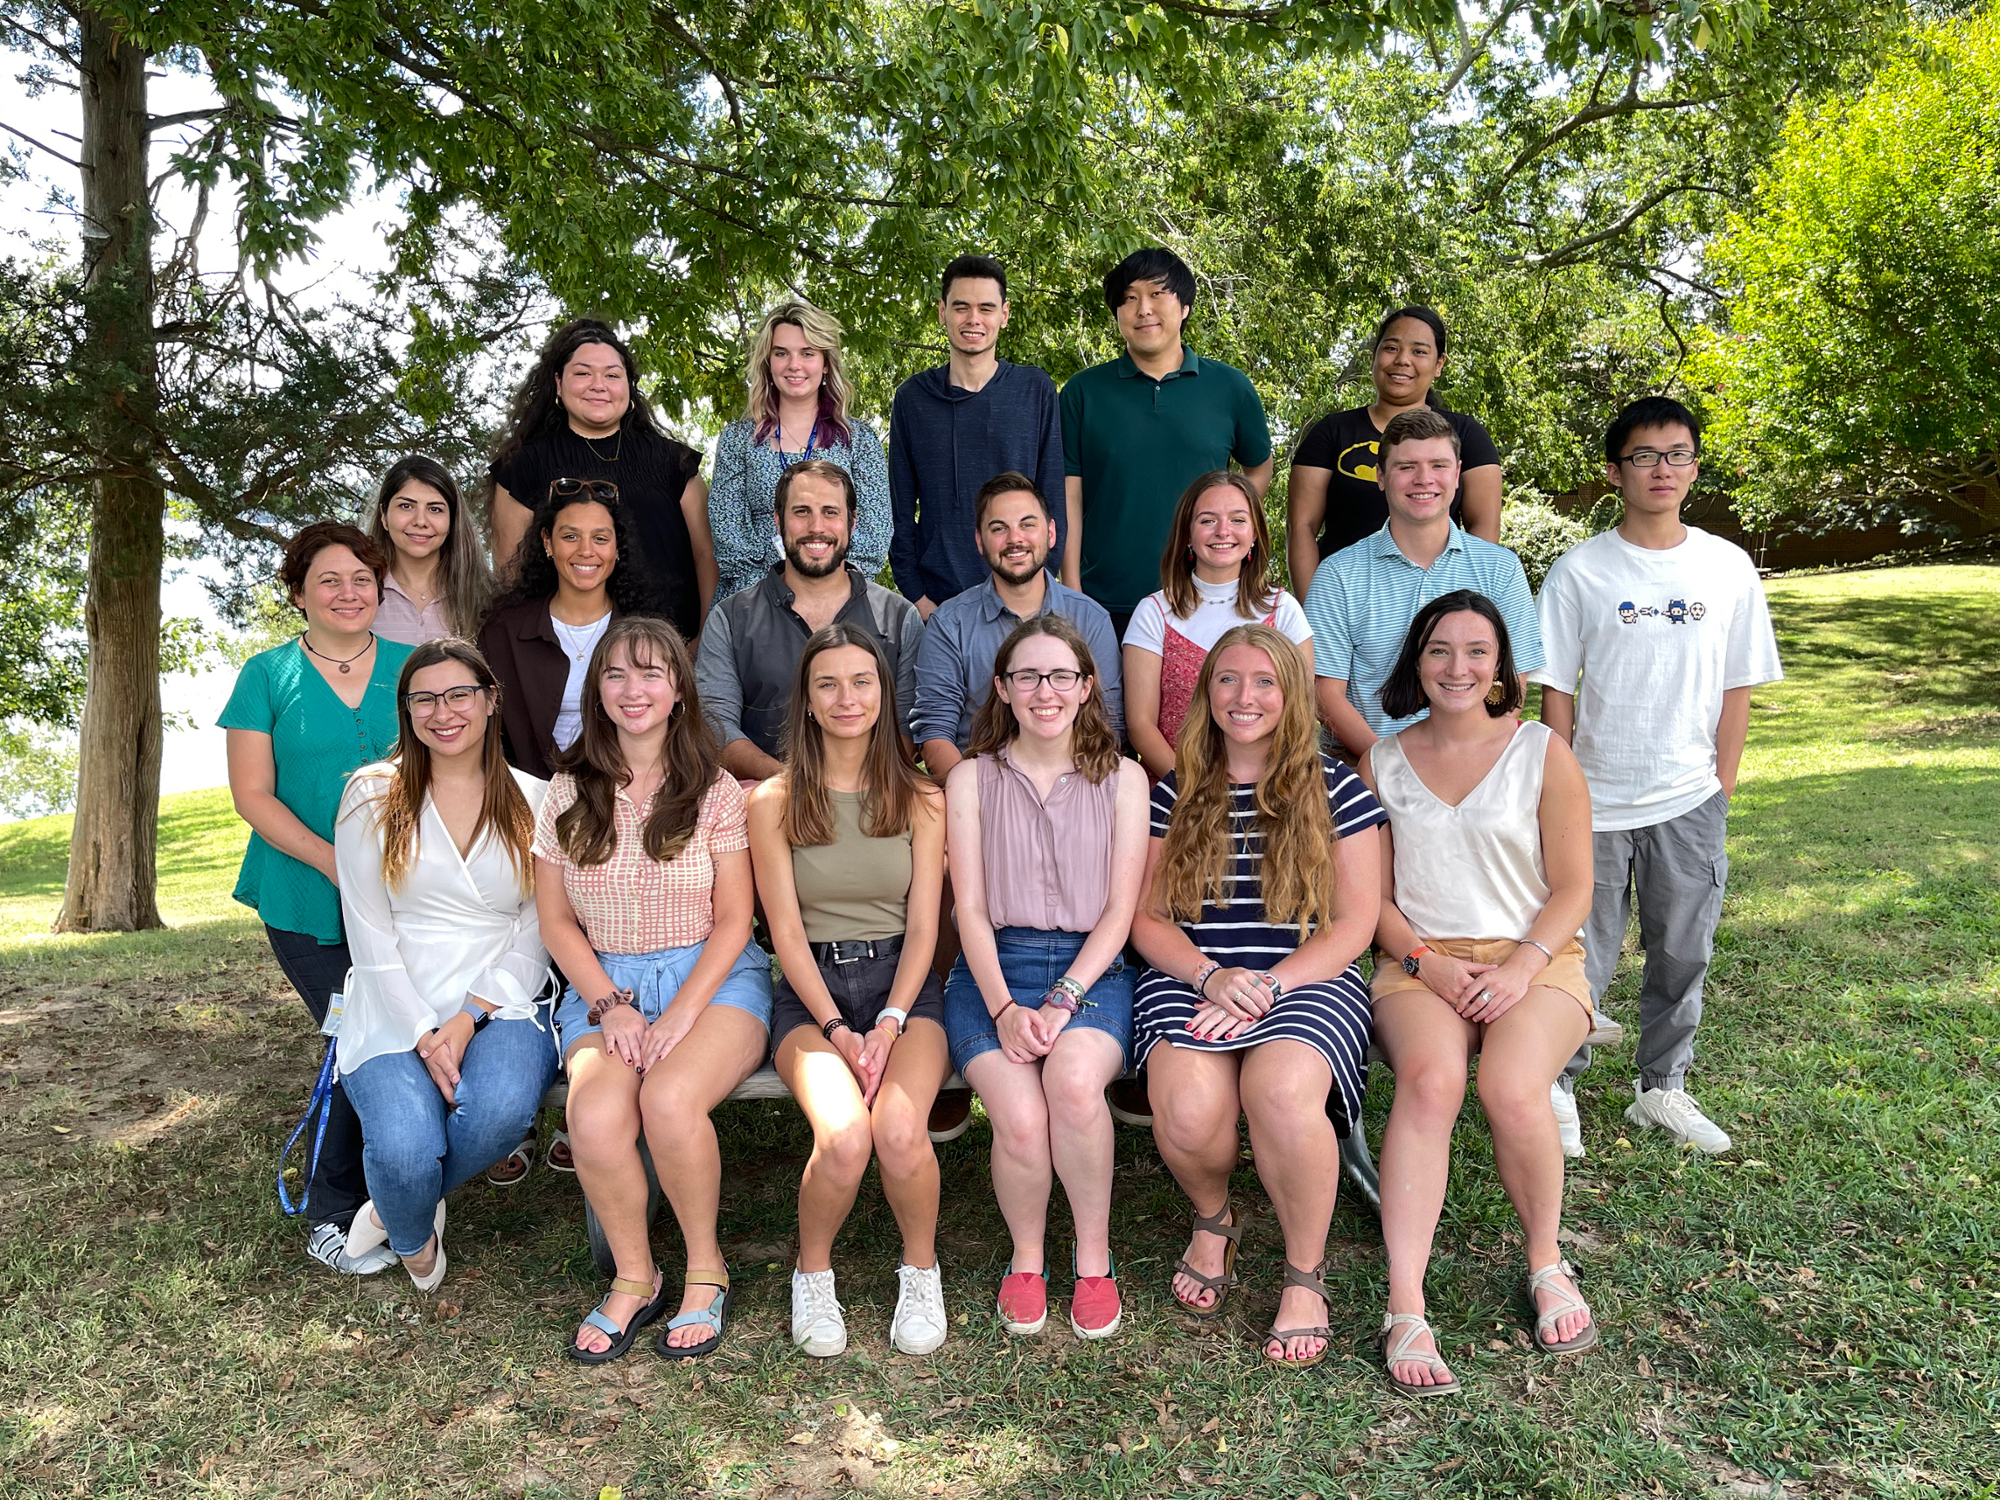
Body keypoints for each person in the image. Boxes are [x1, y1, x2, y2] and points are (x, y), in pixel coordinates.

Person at [1359, 591, 1598, 1395]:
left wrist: (1518, 969)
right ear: (1415, 663)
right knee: (1430, 1083)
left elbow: (1573, 889)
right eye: (1439, 651)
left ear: (1500, 665)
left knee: (1510, 1086)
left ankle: (1546, 1261)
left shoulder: (1542, 750)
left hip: (1536, 959)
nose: (1457, 667)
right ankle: (1405, 1304)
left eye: (1475, 651)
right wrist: (1429, 962)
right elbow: (1369, 901)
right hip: (1420, 962)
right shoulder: (1383, 761)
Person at [1531, 396, 1782, 1157]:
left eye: (1677, 454)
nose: (1662, 469)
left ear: (1694, 467)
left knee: (1684, 952)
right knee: (1583, 957)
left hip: (1689, 799)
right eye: (1644, 456)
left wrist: (1721, 787)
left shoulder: (1726, 565)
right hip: (1595, 801)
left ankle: (1662, 1089)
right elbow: (1556, 692)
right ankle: (1559, 1085)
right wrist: (1563, 791)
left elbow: (1739, 686)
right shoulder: (1581, 571)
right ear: (1615, 472)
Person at [1131, 625, 1385, 1367]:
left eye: (1265, 681)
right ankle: (1215, 1217)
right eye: (1228, 681)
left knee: (1278, 1092)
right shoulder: (1174, 790)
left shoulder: (1336, 787)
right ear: (1206, 694)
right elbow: (1148, 919)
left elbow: (1357, 922)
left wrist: (1270, 984)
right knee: (1187, 1108)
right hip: (1195, 974)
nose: (1245, 697)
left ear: (1292, 694)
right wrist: (1211, 977)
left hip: (1304, 977)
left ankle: (1305, 1273)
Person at [534, 617, 775, 1363]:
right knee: (598, 1116)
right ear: (596, 690)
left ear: (677, 689)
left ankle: (707, 1268)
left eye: (650, 673)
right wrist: (609, 1005)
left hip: (713, 977)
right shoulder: (567, 791)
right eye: (615, 674)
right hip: (604, 982)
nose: (632, 690)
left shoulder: (715, 791)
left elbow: (736, 920)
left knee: (669, 1099)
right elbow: (555, 918)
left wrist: (677, 1015)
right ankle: (635, 1277)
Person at [747, 625, 952, 1358]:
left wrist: (891, 1020)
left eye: (862, 682)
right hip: (812, 994)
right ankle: (813, 1274)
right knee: (843, 1138)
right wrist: (839, 1028)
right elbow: (787, 934)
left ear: (883, 693)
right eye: (827, 683)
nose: (846, 698)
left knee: (900, 1133)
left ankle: (921, 1271)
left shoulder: (923, 797)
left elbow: (927, 927)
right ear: (805, 699)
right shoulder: (772, 801)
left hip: (906, 986)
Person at [943, 616, 1150, 1340]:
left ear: (1087, 686)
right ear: (1002, 688)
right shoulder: (970, 778)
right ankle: (1027, 1257)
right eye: (1027, 676)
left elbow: (1122, 910)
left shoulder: (1125, 778)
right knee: (1022, 1118)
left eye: (1061, 675)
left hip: (1094, 968)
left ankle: (1093, 1260)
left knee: (1070, 1083)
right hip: (991, 968)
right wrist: (1002, 1006)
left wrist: (1066, 998)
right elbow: (968, 907)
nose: (1045, 691)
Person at [333, 640, 560, 1291]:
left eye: (459, 693)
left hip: (504, 999)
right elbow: (368, 931)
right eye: (424, 698)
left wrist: (464, 1020)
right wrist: (423, 1033)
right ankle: (410, 1231)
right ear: (406, 710)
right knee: (404, 1148)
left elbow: (536, 923)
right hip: (392, 999)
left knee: (495, 1113)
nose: (443, 711)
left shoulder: (537, 799)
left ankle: (388, 1206)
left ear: (490, 700)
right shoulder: (372, 796)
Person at [220, 521, 414, 1274]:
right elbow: (253, 796)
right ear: (298, 593)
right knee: (355, 1034)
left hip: (406, 898)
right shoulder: (265, 676)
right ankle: (332, 1212)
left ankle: (397, 1188)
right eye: (329, 580)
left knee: (390, 1034)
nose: (348, 593)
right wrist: (339, 863)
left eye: (362, 579)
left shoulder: (413, 667)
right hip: (306, 897)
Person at [1304, 406, 1544, 758]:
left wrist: (1476, 760)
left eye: (1438, 465)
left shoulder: (1501, 570)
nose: (1423, 479)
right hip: (1367, 769)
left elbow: (1513, 683)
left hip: (1478, 766)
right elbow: (1323, 693)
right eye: (1406, 467)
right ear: (1381, 476)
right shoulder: (1338, 574)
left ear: (1458, 474)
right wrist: (1392, 768)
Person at [1059, 247, 1273, 639]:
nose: (1143, 309)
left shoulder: (1230, 388)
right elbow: (1068, 493)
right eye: (1129, 298)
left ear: (1185, 306)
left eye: (1158, 294)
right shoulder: (1082, 392)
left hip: (1206, 599)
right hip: (1105, 602)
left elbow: (1258, 466)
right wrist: (1071, 589)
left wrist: (1229, 525)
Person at [695, 460, 924, 783]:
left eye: (831, 512)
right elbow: (714, 724)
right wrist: (788, 782)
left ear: (852, 523)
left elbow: (910, 725)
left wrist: (853, 789)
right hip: (766, 802)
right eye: (801, 512)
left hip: (875, 800)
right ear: (778, 521)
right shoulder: (730, 619)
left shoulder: (899, 617)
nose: (817, 527)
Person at [487, 319, 716, 639]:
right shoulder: (523, 466)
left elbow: (707, 557)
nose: (598, 384)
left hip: (672, 654)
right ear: (558, 383)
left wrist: (703, 643)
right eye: (582, 373)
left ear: (629, 385)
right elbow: (511, 576)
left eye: (612, 375)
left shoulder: (674, 463)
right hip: (562, 656)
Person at [912, 471, 1122, 781]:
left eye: (1027, 524)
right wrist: (979, 800)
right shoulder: (949, 623)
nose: (1015, 539)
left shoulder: (1090, 620)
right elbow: (935, 732)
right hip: (978, 796)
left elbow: (1110, 726)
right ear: (980, 542)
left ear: (1050, 533)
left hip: (1075, 792)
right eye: (999, 528)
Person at [888, 255, 1066, 614]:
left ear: (1004, 314)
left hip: (1023, 598)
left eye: (986, 308)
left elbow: (1053, 501)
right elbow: (900, 511)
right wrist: (917, 597)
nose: (973, 319)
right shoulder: (913, 399)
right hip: (938, 604)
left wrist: (1039, 588)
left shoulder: (1034, 390)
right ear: (942, 312)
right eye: (961, 307)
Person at [1285, 306, 1505, 587]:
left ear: (1439, 365)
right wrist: (1316, 614)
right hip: (1347, 598)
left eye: (1419, 351)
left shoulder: (1467, 435)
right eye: (1391, 348)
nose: (1402, 360)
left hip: (1441, 602)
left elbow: (1484, 527)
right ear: (1374, 358)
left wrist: (1459, 607)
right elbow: (1301, 528)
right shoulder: (1330, 433)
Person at [1123, 471, 1312, 780]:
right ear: (1187, 533)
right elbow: (1141, 726)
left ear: (1255, 533)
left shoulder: (1284, 610)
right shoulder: (1153, 613)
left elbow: (1301, 713)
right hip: (1179, 792)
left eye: (1238, 520)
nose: (1223, 531)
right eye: (1207, 520)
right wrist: (1194, 788)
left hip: (1271, 790)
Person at [709, 300, 892, 601]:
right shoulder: (737, 439)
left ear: (825, 362)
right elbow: (729, 536)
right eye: (782, 353)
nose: (794, 365)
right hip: (752, 601)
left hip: (840, 602)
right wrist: (777, 597)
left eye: (807, 353)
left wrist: (822, 593)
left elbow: (873, 537)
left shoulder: (858, 440)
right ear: (768, 363)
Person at [479, 479, 661, 781]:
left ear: (618, 548)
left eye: (600, 538)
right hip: (525, 802)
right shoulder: (503, 633)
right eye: (570, 536)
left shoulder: (647, 635)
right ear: (548, 542)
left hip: (626, 794)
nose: (586, 550)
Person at [366, 456, 493, 644]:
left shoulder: (485, 597)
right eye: (406, 506)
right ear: (384, 516)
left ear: (452, 520)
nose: (420, 521)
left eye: (435, 509)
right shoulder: (359, 593)